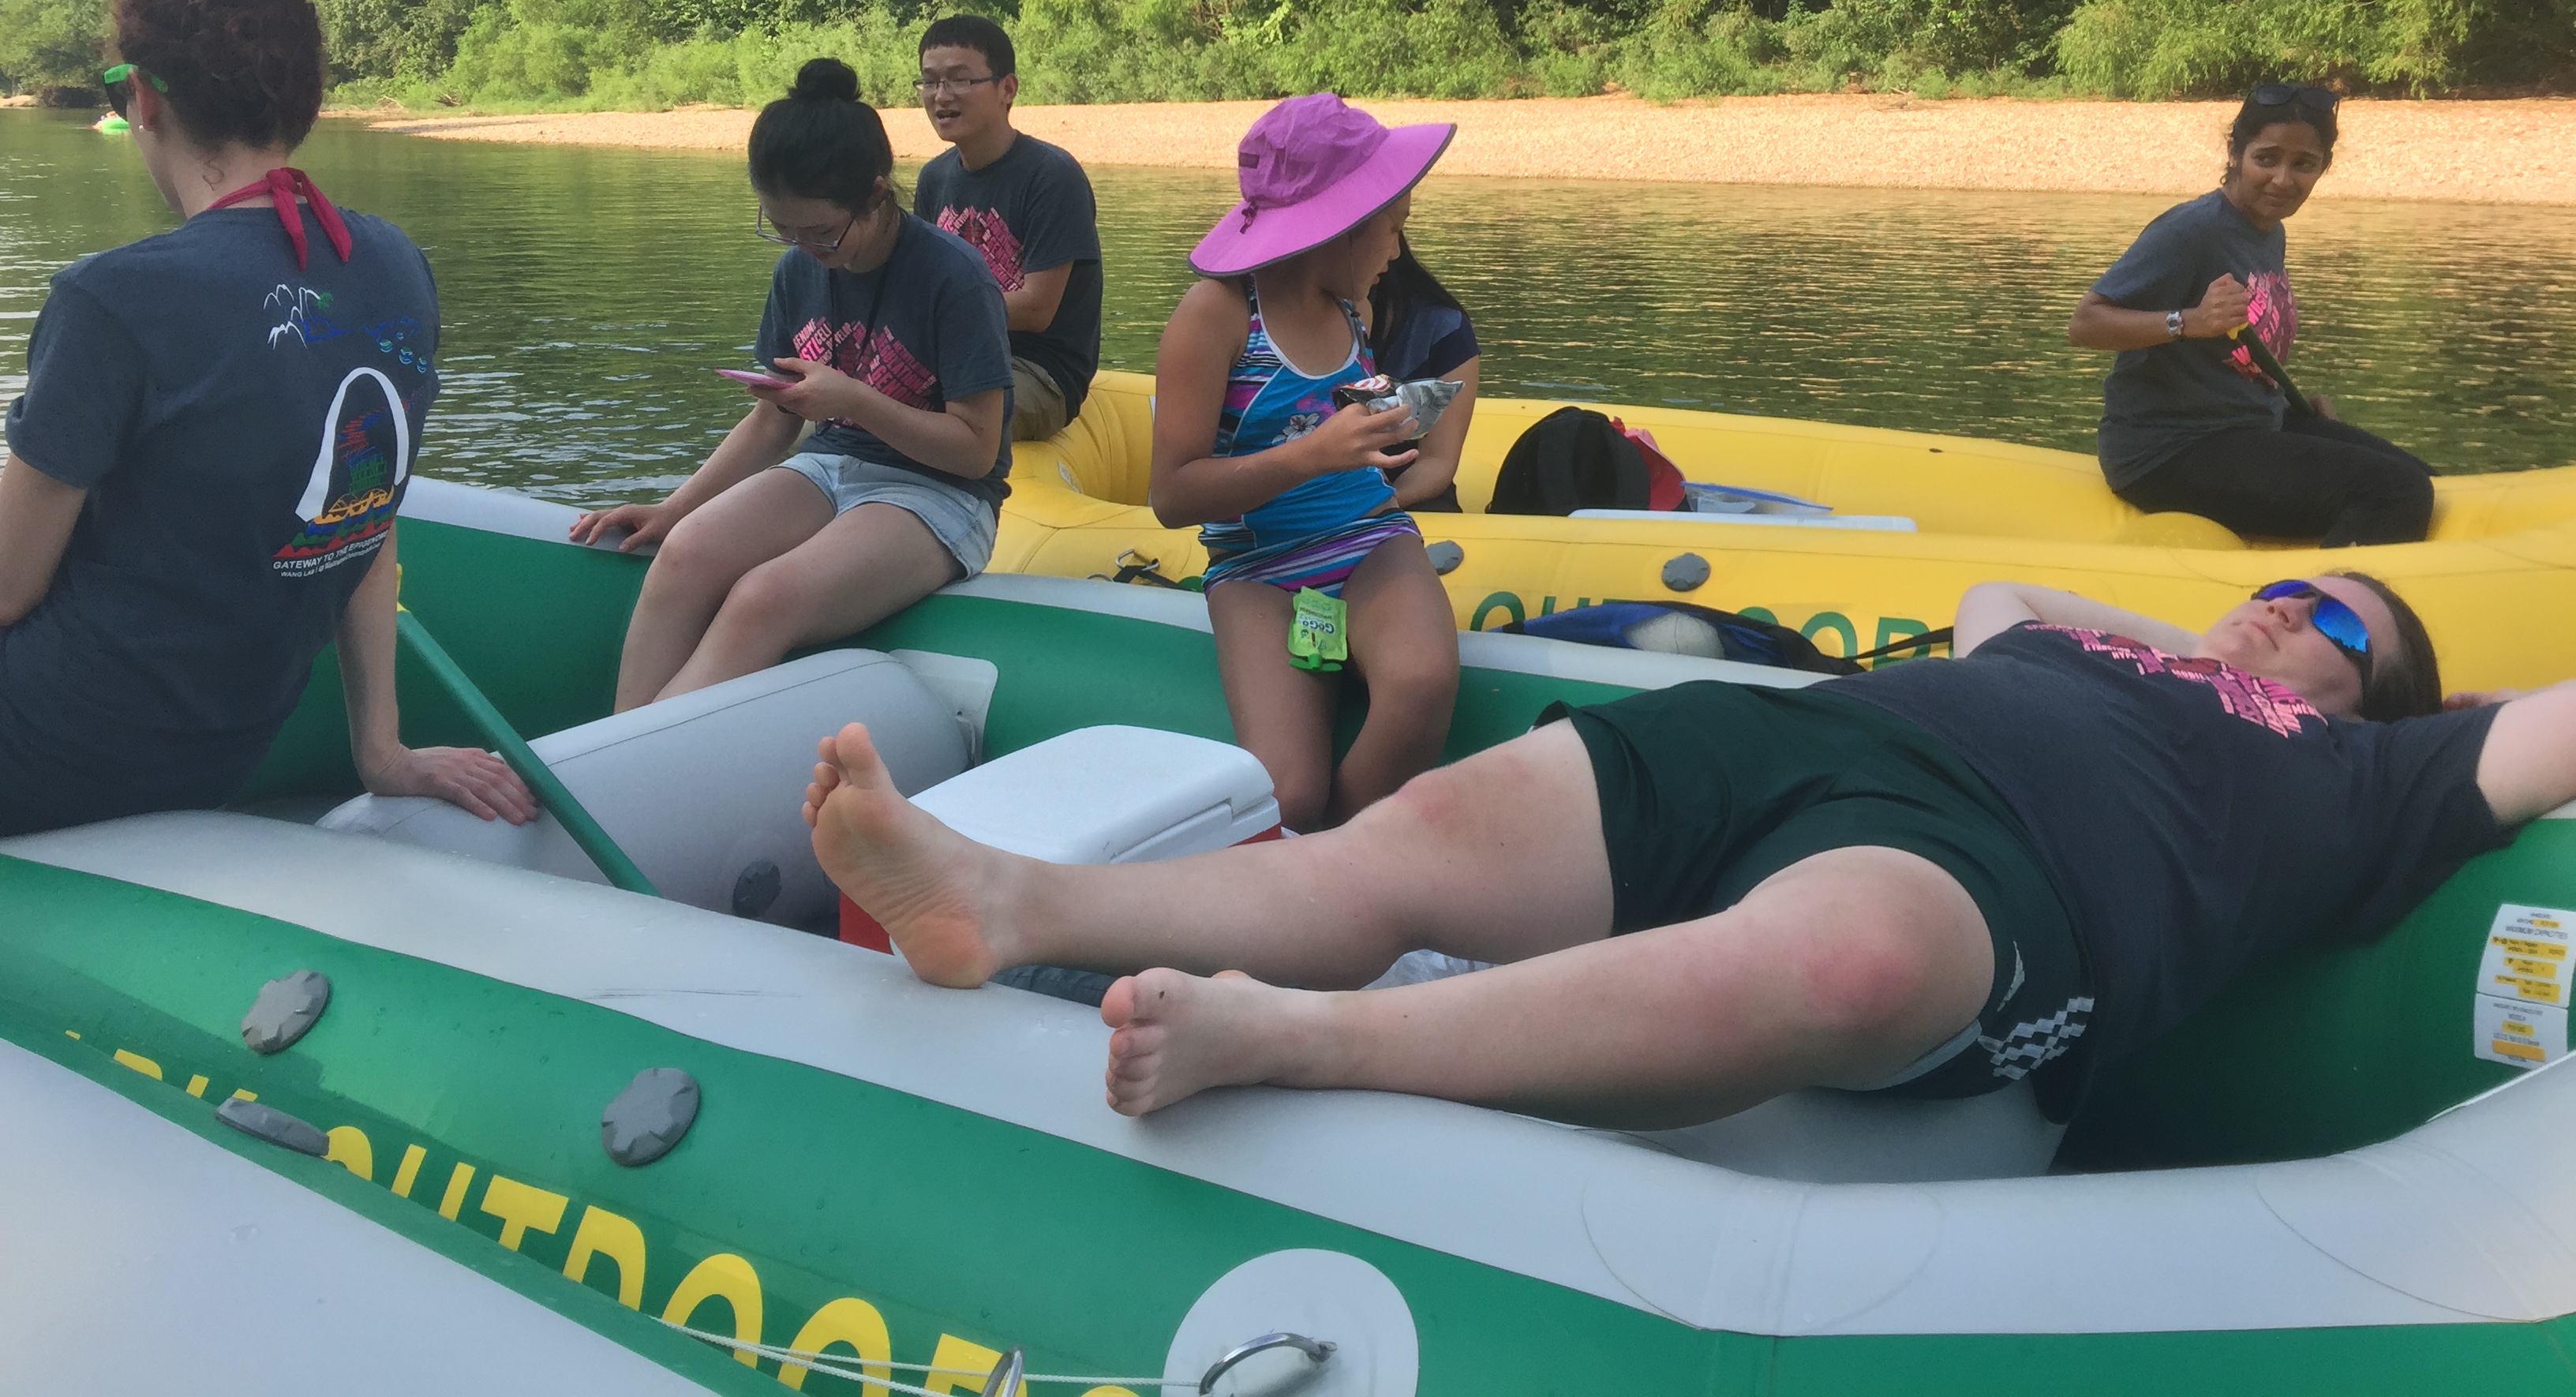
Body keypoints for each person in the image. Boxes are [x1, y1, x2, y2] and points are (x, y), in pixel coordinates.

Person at [804, 573, 2576, 1128]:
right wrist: (2194, 642)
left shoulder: (2381, 775)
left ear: (2387, 690)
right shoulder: (2099, 646)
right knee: (1421, 825)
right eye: (2278, 587)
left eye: (2330, 620)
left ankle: (1293, 1035)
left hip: (2006, 874)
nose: (2282, 611)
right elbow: (2000, 597)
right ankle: (1004, 899)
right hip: (1820, 740)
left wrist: (2396, 702)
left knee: (1846, 966)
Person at [0, 0, 533, 836]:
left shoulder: (113, 300)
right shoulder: (393, 267)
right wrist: (383, 753)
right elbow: (363, 517)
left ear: (143, 100)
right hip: (217, 750)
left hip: (53, 755)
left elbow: (9, 589)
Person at [571, 60, 1013, 710]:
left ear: (876, 194)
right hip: (830, 467)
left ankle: (634, 756)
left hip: (942, 495)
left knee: (764, 597)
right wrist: (674, 509)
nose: (804, 248)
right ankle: (619, 746)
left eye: (822, 232)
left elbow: (976, 451)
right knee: (685, 552)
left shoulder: (956, 277)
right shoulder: (798, 272)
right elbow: (773, 421)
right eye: (782, 229)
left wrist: (853, 400)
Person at [1148, 95, 1462, 830]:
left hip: (1369, 539)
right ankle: (1307, 861)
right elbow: (1172, 495)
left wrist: (1387, 421)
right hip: (1258, 568)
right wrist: (1312, 455)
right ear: (1341, 226)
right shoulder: (1217, 315)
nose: (1397, 253)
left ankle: (1338, 861)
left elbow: (1328, 416)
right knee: (1287, 790)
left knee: (1420, 683)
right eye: (1394, 228)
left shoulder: (1355, 310)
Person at [2070, 82, 2435, 545]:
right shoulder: (2191, 230)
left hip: (2251, 424)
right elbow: (2085, 324)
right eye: (2267, 159)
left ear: (2323, 167)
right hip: (2168, 450)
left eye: (2304, 164)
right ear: (2236, 153)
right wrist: (2188, 322)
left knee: (2419, 476)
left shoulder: (2268, 231)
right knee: (2396, 492)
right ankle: (2323, 591)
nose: (2283, 180)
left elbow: (2237, 349)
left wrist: (2288, 403)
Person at [909, 16, 1102, 444]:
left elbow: (1036, 308)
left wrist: (933, 313)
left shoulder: (1052, 176)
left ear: (1007, 89)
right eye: (930, 81)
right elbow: (919, 283)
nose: (941, 95)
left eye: (960, 80)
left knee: (899, 411)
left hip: (1037, 372)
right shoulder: (934, 179)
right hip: (952, 358)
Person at [1365, 234, 1480, 514]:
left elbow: (1437, 460)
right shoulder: (1273, 325)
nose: (1393, 252)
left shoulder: (1442, 327)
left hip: (1405, 493)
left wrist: (1376, 509)